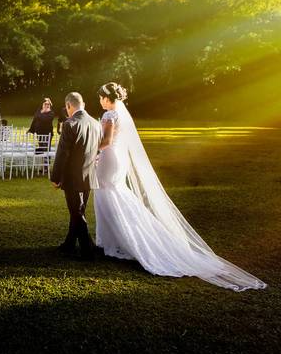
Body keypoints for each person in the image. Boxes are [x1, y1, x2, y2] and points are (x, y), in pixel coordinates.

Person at [93, 82, 265, 291]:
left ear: (107, 98)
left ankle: (116, 241)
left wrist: (91, 148)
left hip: (109, 158)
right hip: (119, 160)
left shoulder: (109, 115)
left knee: (107, 194)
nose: (100, 101)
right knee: (116, 194)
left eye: (101, 97)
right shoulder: (121, 114)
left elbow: (107, 141)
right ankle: (117, 240)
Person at [50, 92, 102, 261]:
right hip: (89, 175)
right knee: (78, 211)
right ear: (83, 104)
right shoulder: (96, 124)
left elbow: (62, 154)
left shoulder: (69, 124)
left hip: (72, 177)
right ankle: (69, 244)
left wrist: (55, 177)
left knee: (77, 212)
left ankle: (88, 249)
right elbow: (98, 150)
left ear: (68, 106)